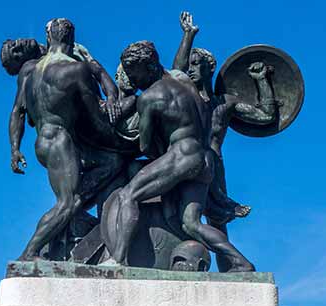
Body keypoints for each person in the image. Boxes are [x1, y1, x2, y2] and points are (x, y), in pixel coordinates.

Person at [101, 40, 255, 272]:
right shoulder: (183, 81)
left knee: (128, 195)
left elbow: (145, 146)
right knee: (191, 224)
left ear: (149, 66)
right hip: (204, 159)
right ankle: (242, 262)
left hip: (180, 155)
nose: (133, 81)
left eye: (135, 74)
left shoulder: (149, 98)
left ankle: (118, 259)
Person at [7, 18, 131, 260]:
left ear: (49, 38)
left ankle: (71, 216)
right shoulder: (76, 70)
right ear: (72, 40)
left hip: (44, 142)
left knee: (111, 163)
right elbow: (96, 120)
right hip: (60, 140)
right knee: (66, 202)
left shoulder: (29, 70)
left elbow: (17, 112)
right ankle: (29, 253)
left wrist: (14, 149)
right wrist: (122, 140)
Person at [174, 11, 278, 270]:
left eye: (197, 64)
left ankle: (231, 270)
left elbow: (266, 115)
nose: (191, 69)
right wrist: (188, 35)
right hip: (185, 159)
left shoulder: (226, 102)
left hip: (213, 163)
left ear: (211, 67)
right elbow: (177, 70)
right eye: (191, 64)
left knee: (216, 219)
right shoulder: (187, 97)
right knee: (185, 217)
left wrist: (261, 80)